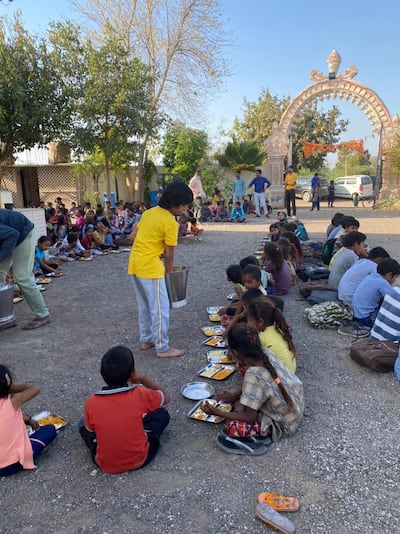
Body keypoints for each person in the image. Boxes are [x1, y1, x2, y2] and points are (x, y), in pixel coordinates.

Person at [201, 324, 304, 455]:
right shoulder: (266, 353)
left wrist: (218, 413)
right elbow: (254, 385)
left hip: (285, 423)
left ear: (235, 353)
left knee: (232, 427)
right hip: (295, 406)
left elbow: (249, 417)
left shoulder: (253, 374)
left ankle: (257, 439)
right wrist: (234, 394)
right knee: (239, 401)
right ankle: (255, 428)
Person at [79, 346, 170, 474]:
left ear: (100, 371)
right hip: (141, 458)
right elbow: (166, 398)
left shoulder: (91, 402)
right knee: (162, 414)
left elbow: (91, 430)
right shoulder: (139, 394)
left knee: (83, 424)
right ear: (132, 373)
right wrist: (144, 379)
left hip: (106, 464)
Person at [128, 181, 193, 358]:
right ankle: (162, 347)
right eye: (184, 205)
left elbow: (133, 236)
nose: (184, 209)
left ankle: (146, 339)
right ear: (175, 204)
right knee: (160, 307)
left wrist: (152, 246)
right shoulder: (170, 223)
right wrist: (169, 276)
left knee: (144, 305)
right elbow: (170, 256)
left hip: (135, 263)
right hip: (151, 268)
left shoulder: (149, 213)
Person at [0, 365, 57, 476]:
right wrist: (10, 388)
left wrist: (26, 419)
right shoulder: (12, 402)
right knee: (50, 430)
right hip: (10, 465)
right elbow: (35, 388)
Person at [0, 209, 51, 330]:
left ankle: (43, 315)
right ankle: (6, 318)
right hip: (7, 237)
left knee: (22, 277)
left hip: (22, 235)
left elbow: (13, 235)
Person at [246, 297, 296, 373]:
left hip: (281, 379)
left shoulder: (262, 337)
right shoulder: (278, 328)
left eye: (249, 320)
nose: (247, 323)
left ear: (260, 322)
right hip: (291, 373)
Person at [351, 259, 400, 328]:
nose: (395, 281)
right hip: (366, 318)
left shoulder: (371, 276)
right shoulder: (382, 282)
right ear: (389, 275)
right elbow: (394, 299)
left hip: (356, 315)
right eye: (395, 277)